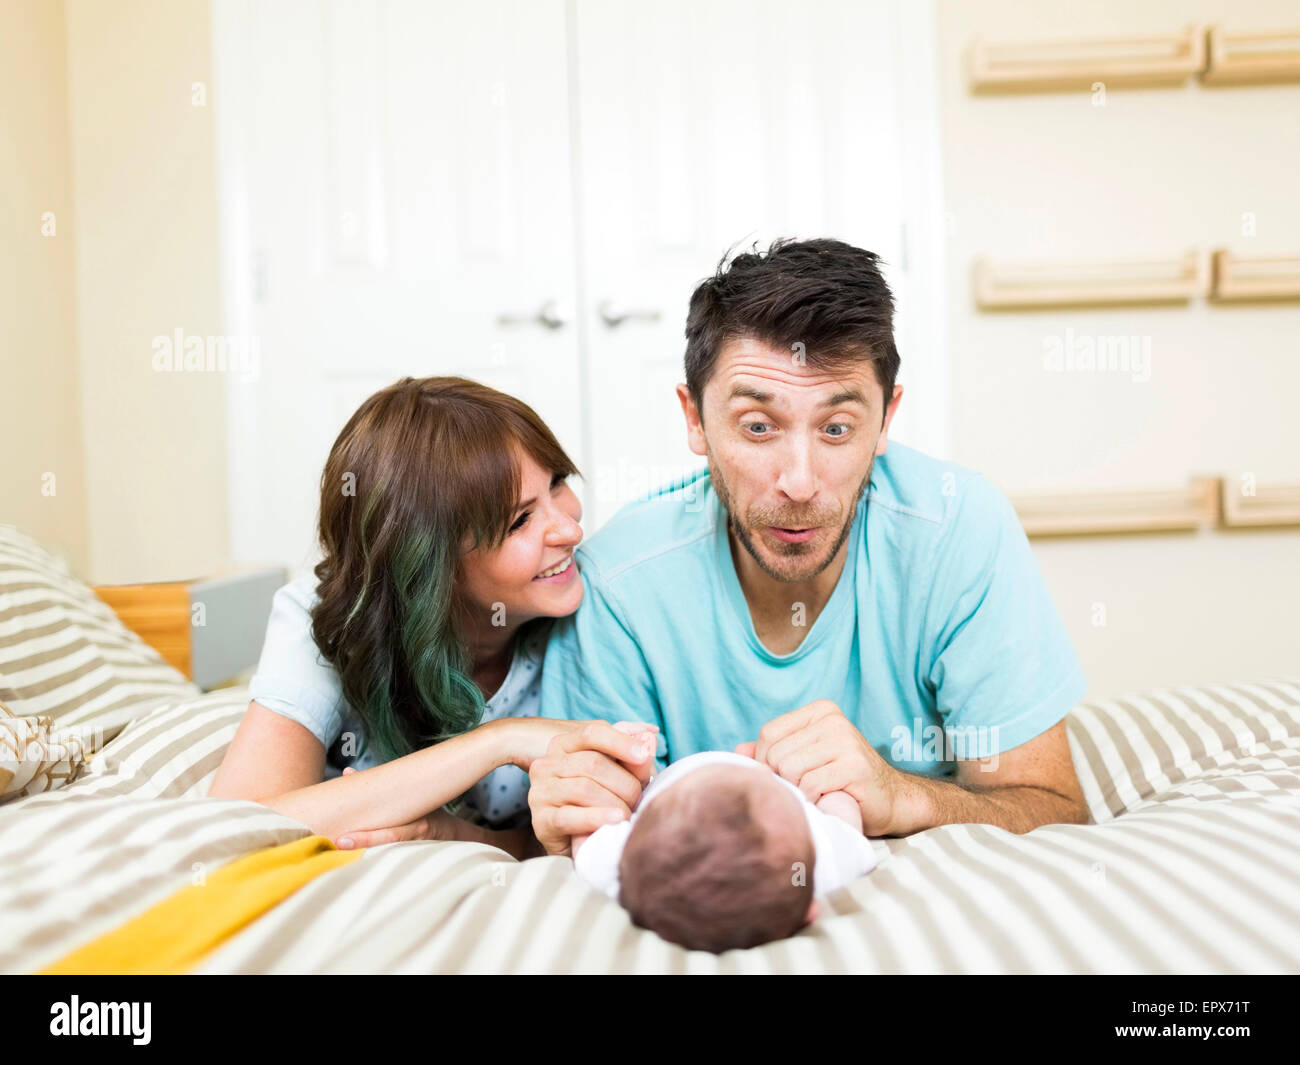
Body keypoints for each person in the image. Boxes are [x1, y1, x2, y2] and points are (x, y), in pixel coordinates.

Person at [528, 238, 1091, 858]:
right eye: (759, 427)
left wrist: (902, 796)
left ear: (886, 419)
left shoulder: (958, 528)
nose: (799, 483)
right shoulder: (619, 581)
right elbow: (597, 831)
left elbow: (1055, 809)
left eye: (836, 429)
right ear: (694, 420)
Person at [209, 376, 623, 859]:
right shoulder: (322, 621)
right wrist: (499, 741)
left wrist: (450, 834)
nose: (571, 529)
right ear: (432, 566)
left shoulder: (599, 614)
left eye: (558, 484)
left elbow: (585, 830)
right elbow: (237, 827)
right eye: (519, 521)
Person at [572, 742, 885, 953]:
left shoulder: (628, 867)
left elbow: (587, 821)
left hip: (675, 782)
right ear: (810, 911)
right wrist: (832, 794)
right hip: (682, 782)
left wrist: (630, 787)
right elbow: (844, 814)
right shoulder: (813, 868)